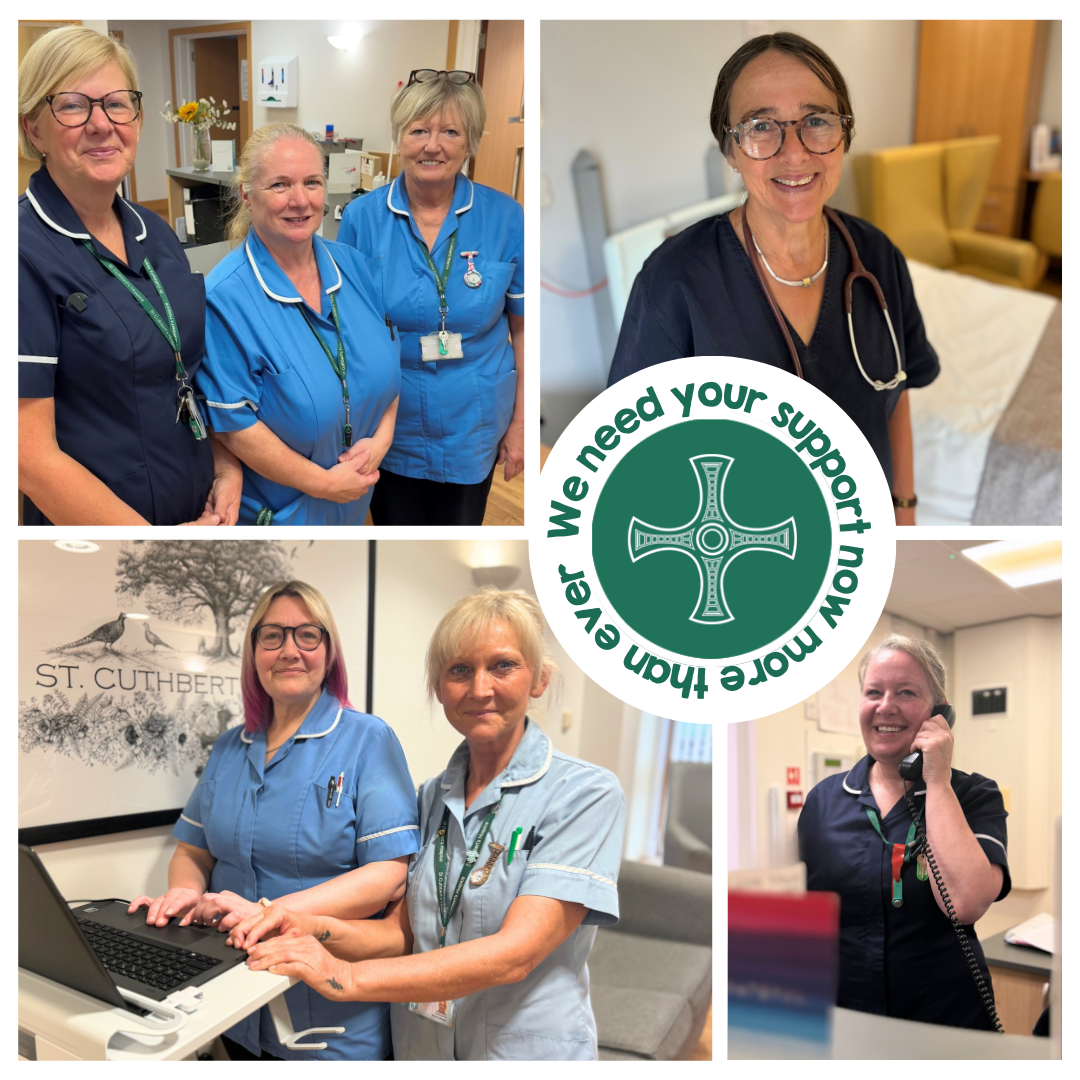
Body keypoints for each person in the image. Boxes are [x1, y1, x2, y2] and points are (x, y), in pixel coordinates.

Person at [227, 589, 626, 1060]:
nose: (480, 689)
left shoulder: (585, 793)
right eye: (459, 670)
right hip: (423, 1049)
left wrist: (345, 977)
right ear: (439, 688)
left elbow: (517, 954)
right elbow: (403, 935)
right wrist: (305, 924)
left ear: (539, 679)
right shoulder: (430, 797)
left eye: (503, 666)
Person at [608, 32, 940, 526]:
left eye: (817, 121)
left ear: (843, 134)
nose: (795, 153)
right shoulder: (674, 280)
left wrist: (904, 511)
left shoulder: (876, 256)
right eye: (761, 126)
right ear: (731, 150)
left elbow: (897, 394)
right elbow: (635, 455)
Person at [128, 581, 420, 1060]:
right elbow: (193, 850)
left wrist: (276, 913)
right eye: (272, 636)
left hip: (330, 1014)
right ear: (253, 651)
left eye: (307, 635)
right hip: (231, 1002)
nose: (289, 650)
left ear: (329, 652)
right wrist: (184, 892)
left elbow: (389, 874)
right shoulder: (228, 747)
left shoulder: (368, 739)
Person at [18, 26, 241, 525]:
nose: (102, 124)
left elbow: (186, 372)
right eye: (73, 105)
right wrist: (157, 547)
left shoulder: (155, 233)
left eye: (118, 103)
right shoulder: (22, 252)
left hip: (198, 509)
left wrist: (225, 466)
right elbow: (29, 459)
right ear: (34, 129)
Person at [337, 70, 525, 526]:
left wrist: (520, 424)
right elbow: (347, 330)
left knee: (461, 525)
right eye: (418, 130)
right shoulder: (362, 217)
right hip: (389, 422)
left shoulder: (506, 216)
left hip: (473, 420)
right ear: (400, 139)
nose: (432, 145)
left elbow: (524, 328)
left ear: (470, 142)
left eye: (450, 131)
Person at [797, 635, 1009, 1030]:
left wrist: (938, 783)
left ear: (939, 713)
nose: (885, 706)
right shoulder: (823, 801)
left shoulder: (974, 795)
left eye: (906, 692)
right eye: (873, 691)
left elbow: (965, 903)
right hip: (846, 1023)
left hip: (944, 1025)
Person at [196, 124, 400, 525]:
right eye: (279, 185)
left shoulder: (355, 267)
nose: (300, 200)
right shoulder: (224, 299)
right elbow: (233, 426)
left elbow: (390, 365)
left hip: (354, 499)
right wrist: (323, 485)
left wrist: (382, 439)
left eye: (312, 182)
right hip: (284, 513)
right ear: (246, 195)